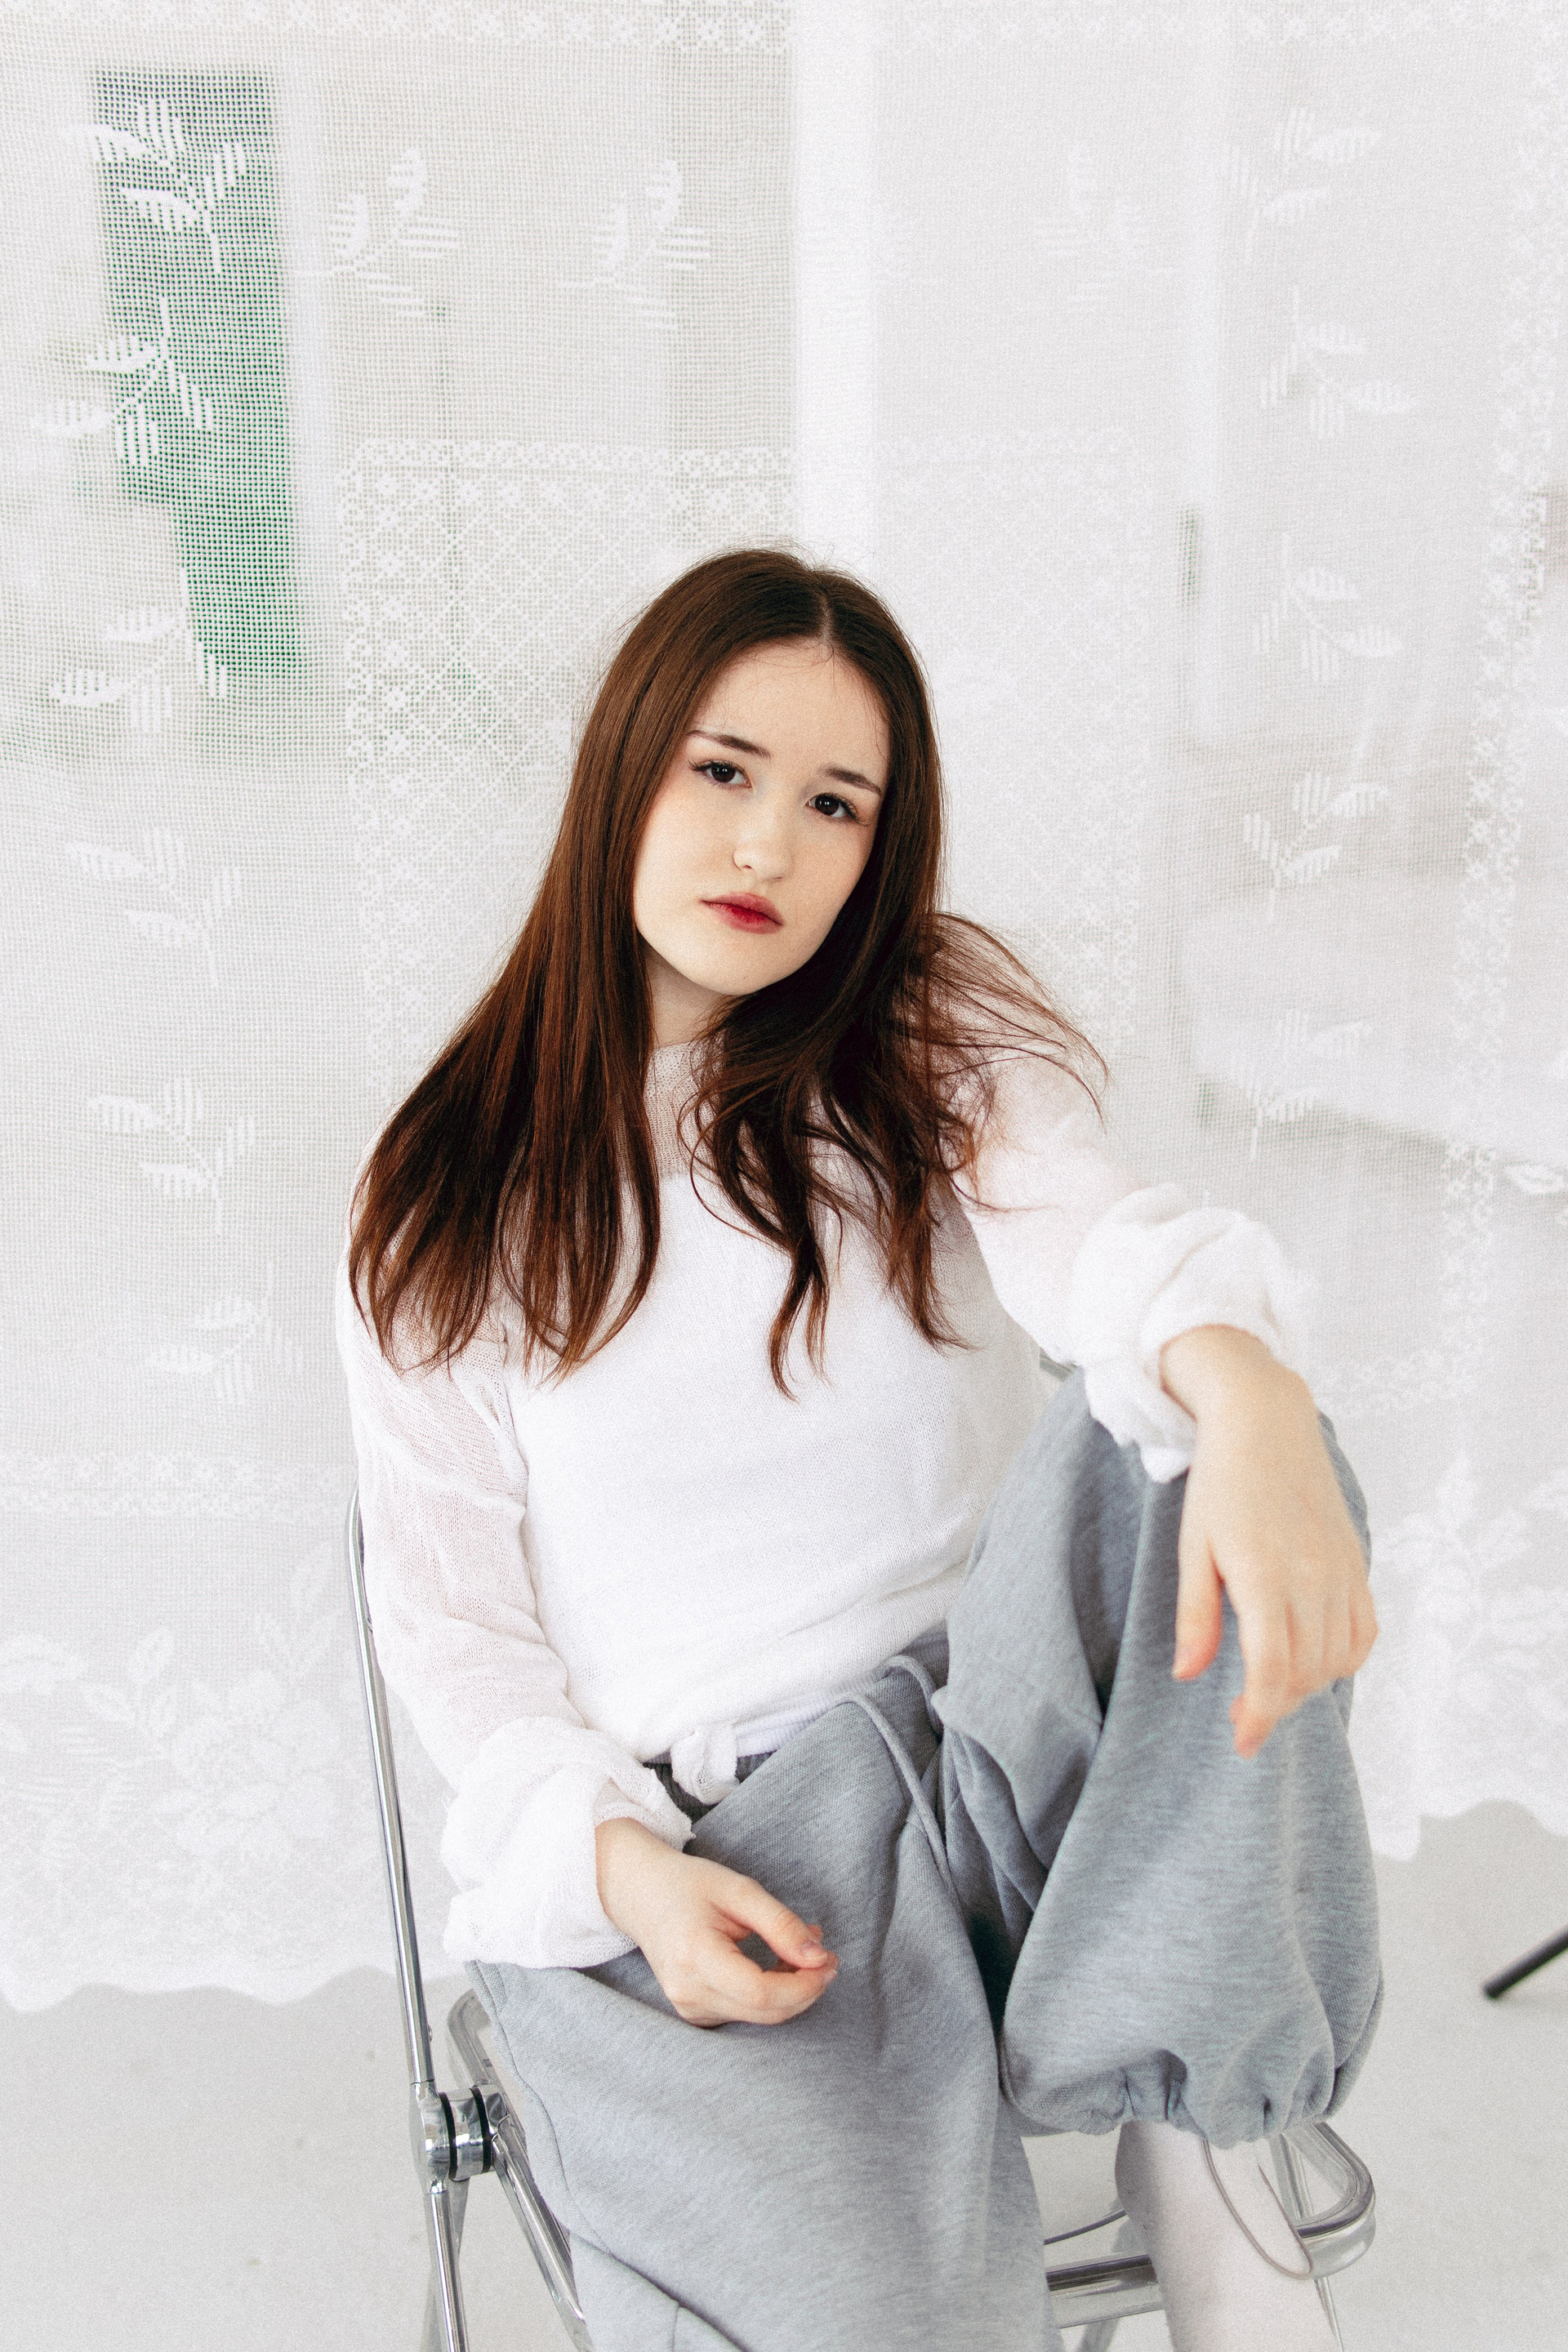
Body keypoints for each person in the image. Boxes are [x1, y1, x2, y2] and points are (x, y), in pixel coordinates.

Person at [336, 548, 1383, 2352]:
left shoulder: (913, 1034)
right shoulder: (445, 1196)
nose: (770, 845)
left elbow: (1097, 1236)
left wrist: (1259, 1401)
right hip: (731, 1861)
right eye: (723, 770)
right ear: (622, 770)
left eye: (837, 804)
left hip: (1012, 1780)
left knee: (1188, 1415)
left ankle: (1202, 2163)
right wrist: (630, 1875)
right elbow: (461, 1643)